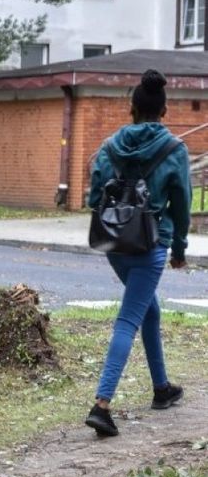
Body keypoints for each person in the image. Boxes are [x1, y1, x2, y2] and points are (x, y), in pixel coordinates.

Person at [84, 69, 192, 437]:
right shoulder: (174, 150)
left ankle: (162, 388)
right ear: (164, 111)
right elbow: (182, 205)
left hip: (114, 243)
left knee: (149, 309)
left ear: (132, 108)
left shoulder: (110, 144)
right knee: (129, 318)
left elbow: (93, 197)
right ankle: (102, 404)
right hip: (151, 244)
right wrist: (179, 247)